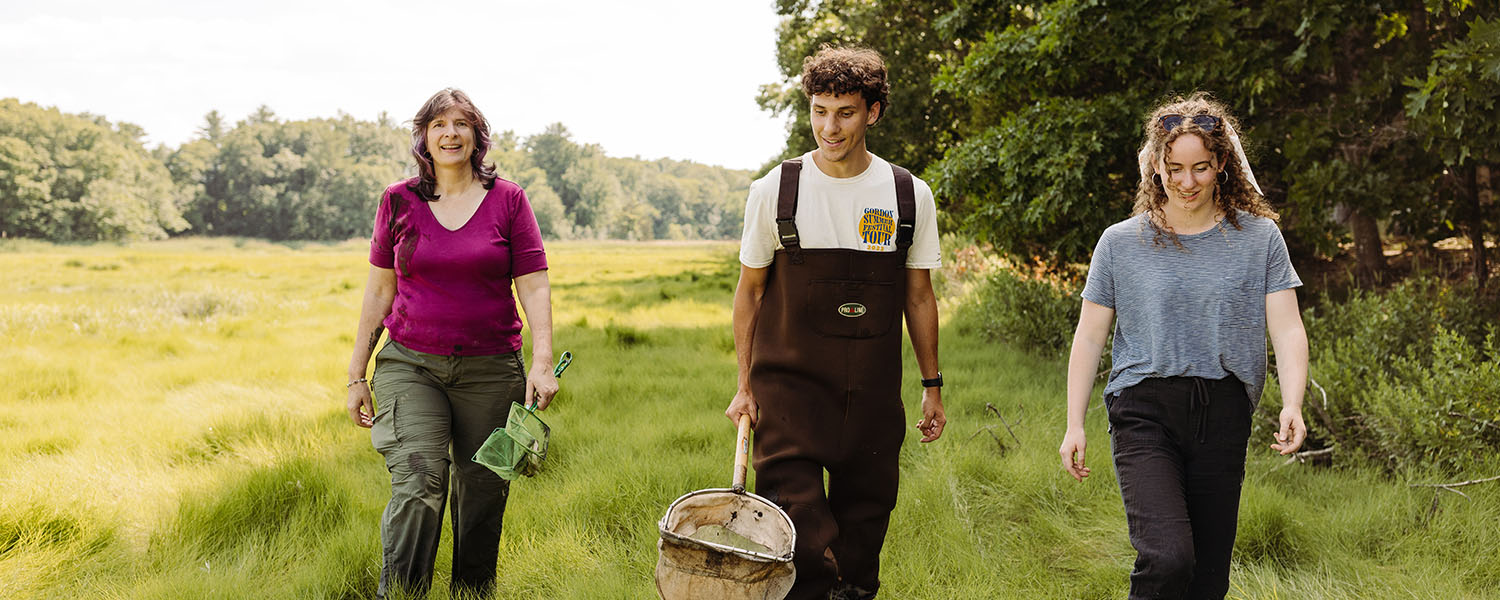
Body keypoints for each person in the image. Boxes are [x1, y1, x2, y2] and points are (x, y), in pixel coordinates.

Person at [1057, 93, 1309, 599]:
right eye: (1174, 168)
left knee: (1208, 577)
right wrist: (1074, 423)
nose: (1186, 182)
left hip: (1224, 410)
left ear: (1221, 165)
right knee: (1168, 556)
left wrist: (1293, 402)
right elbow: (1089, 336)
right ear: (1155, 166)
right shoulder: (1120, 242)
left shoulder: (1260, 238)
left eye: (1200, 168)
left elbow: (1286, 327)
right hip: (1143, 409)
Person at [724, 46, 946, 600]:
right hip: (790, 399)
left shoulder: (907, 195)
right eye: (820, 110)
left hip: (871, 402)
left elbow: (918, 297)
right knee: (799, 539)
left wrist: (932, 386)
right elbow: (750, 292)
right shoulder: (776, 191)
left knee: (861, 550)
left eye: (845, 112)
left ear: (872, 111)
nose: (830, 126)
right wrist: (744, 386)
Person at [344, 88, 559, 599]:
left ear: (477, 138)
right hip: (410, 365)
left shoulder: (509, 199)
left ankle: (471, 594)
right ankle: (400, 595)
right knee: (419, 484)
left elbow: (534, 281)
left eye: (461, 124)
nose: (450, 133)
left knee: (483, 492)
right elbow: (379, 288)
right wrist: (356, 374)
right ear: (423, 137)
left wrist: (542, 360)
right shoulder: (398, 200)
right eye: (438, 124)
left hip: (492, 368)